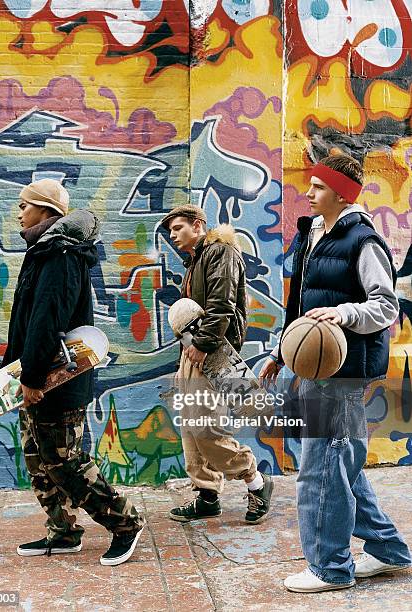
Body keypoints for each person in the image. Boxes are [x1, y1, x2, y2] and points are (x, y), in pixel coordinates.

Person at [259, 154, 411, 592]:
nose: (308, 193)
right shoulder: (314, 235)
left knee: (322, 467)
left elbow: (385, 306)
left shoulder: (362, 241)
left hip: (343, 373)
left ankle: (330, 567)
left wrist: (344, 314)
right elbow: (303, 310)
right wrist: (281, 352)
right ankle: (387, 549)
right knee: (341, 463)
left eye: (318, 187)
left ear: (342, 192)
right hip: (317, 367)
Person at [1, 178, 145, 565]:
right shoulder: (43, 250)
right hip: (33, 377)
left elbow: (48, 320)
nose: (19, 211)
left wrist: (32, 378)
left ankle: (125, 522)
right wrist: (12, 373)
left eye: (24, 205)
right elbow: (27, 320)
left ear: (46, 210)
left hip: (56, 380)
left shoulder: (60, 254)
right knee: (38, 456)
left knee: (65, 460)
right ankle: (63, 531)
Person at [161, 205, 273, 524]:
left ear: (198, 226)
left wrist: (202, 344)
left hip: (213, 352)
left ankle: (256, 482)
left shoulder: (220, 251)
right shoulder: (197, 258)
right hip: (193, 352)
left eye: (177, 227)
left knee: (206, 427)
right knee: (190, 428)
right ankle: (207, 496)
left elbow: (221, 305)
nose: (172, 235)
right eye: (170, 230)